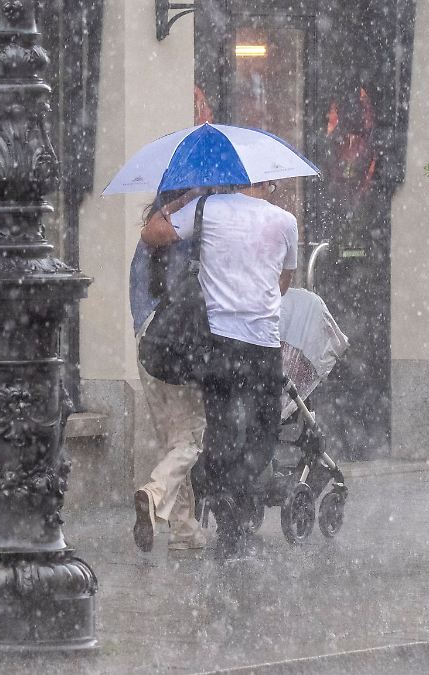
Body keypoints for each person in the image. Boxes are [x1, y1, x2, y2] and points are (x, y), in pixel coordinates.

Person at [141, 181, 297, 559]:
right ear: (267, 182)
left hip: (218, 342)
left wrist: (185, 201)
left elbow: (152, 233)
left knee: (222, 428)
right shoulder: (285, 221)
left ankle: (226, 505)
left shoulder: (207, 209)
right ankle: (235, 501)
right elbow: (285, 282)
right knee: (263, 430)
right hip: (262, 343)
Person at [130, 187, 210, 553]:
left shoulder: (147, 238)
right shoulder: (191, 236)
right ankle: (153, 492)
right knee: (190, 439)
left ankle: (184, 530)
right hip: (179, 343)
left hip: (145, 342)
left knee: (172, 440)